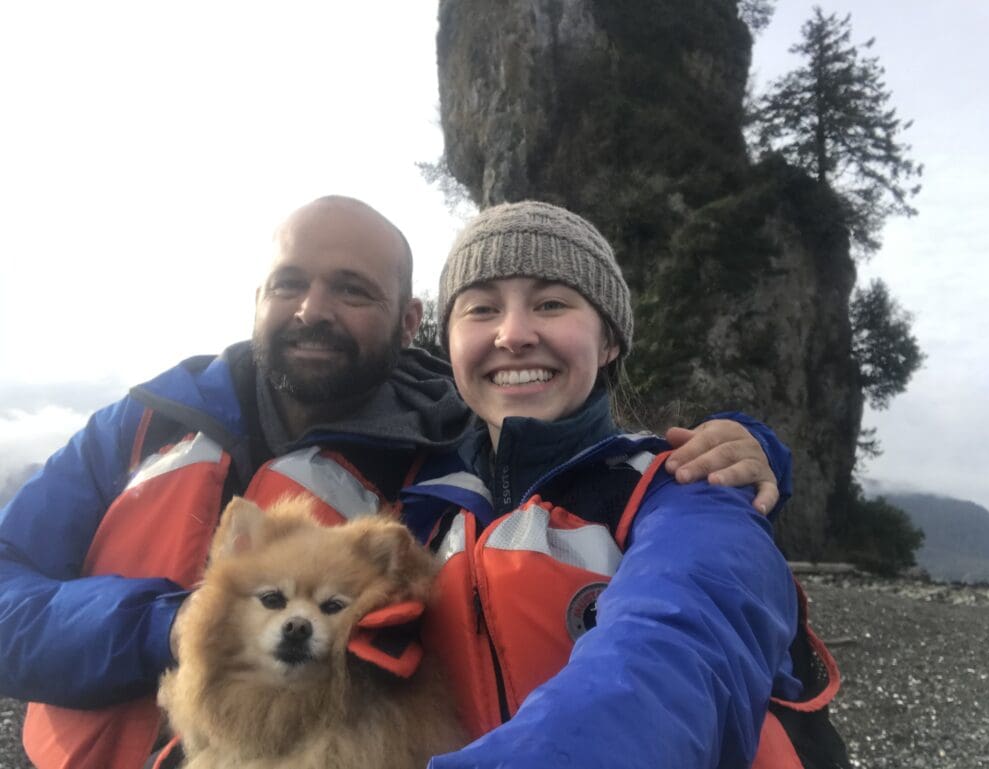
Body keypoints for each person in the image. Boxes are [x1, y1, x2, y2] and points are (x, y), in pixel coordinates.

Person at [0, 196, 791, 769]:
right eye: (289, 282)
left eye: (352, 289)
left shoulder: (433, 470)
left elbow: (681, 641)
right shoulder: (142, 424)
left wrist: (749, 451)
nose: (313, 308)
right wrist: (168, 626)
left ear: (411, 323)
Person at [397, 200, 843, 768]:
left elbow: (673, 656)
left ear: (608, 342)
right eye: (481, 309)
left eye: (551, 303)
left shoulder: (689, 491)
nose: (513, 334)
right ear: (448, 344)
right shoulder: (418, 508)